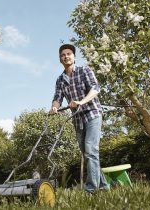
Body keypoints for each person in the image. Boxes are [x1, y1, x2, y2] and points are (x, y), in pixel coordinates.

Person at [49, 44, 108, 193]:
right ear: (60, 59)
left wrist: (81, 102)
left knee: (90, 149)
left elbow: (95, 88)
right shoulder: (60, 80)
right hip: (77, 119)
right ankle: (103, 187)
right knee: (87, 154)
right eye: (63, 55)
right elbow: (57, 98)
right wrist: (54, 107)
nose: (66, 56)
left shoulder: (84, 70)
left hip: (92, 113)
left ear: (74, 57)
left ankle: (91, 190)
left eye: (69, 54)